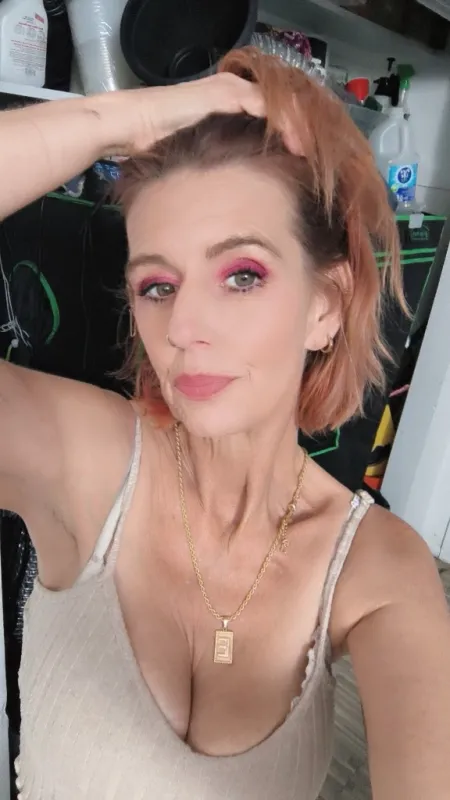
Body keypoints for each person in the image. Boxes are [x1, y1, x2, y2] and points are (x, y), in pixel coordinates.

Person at [0, 47, 449, 800]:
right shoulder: (83, 460)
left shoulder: (378, 569)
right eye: (157, 285)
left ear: (326, 306)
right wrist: (118, 118)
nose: (183, 328)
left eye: (242, 274)